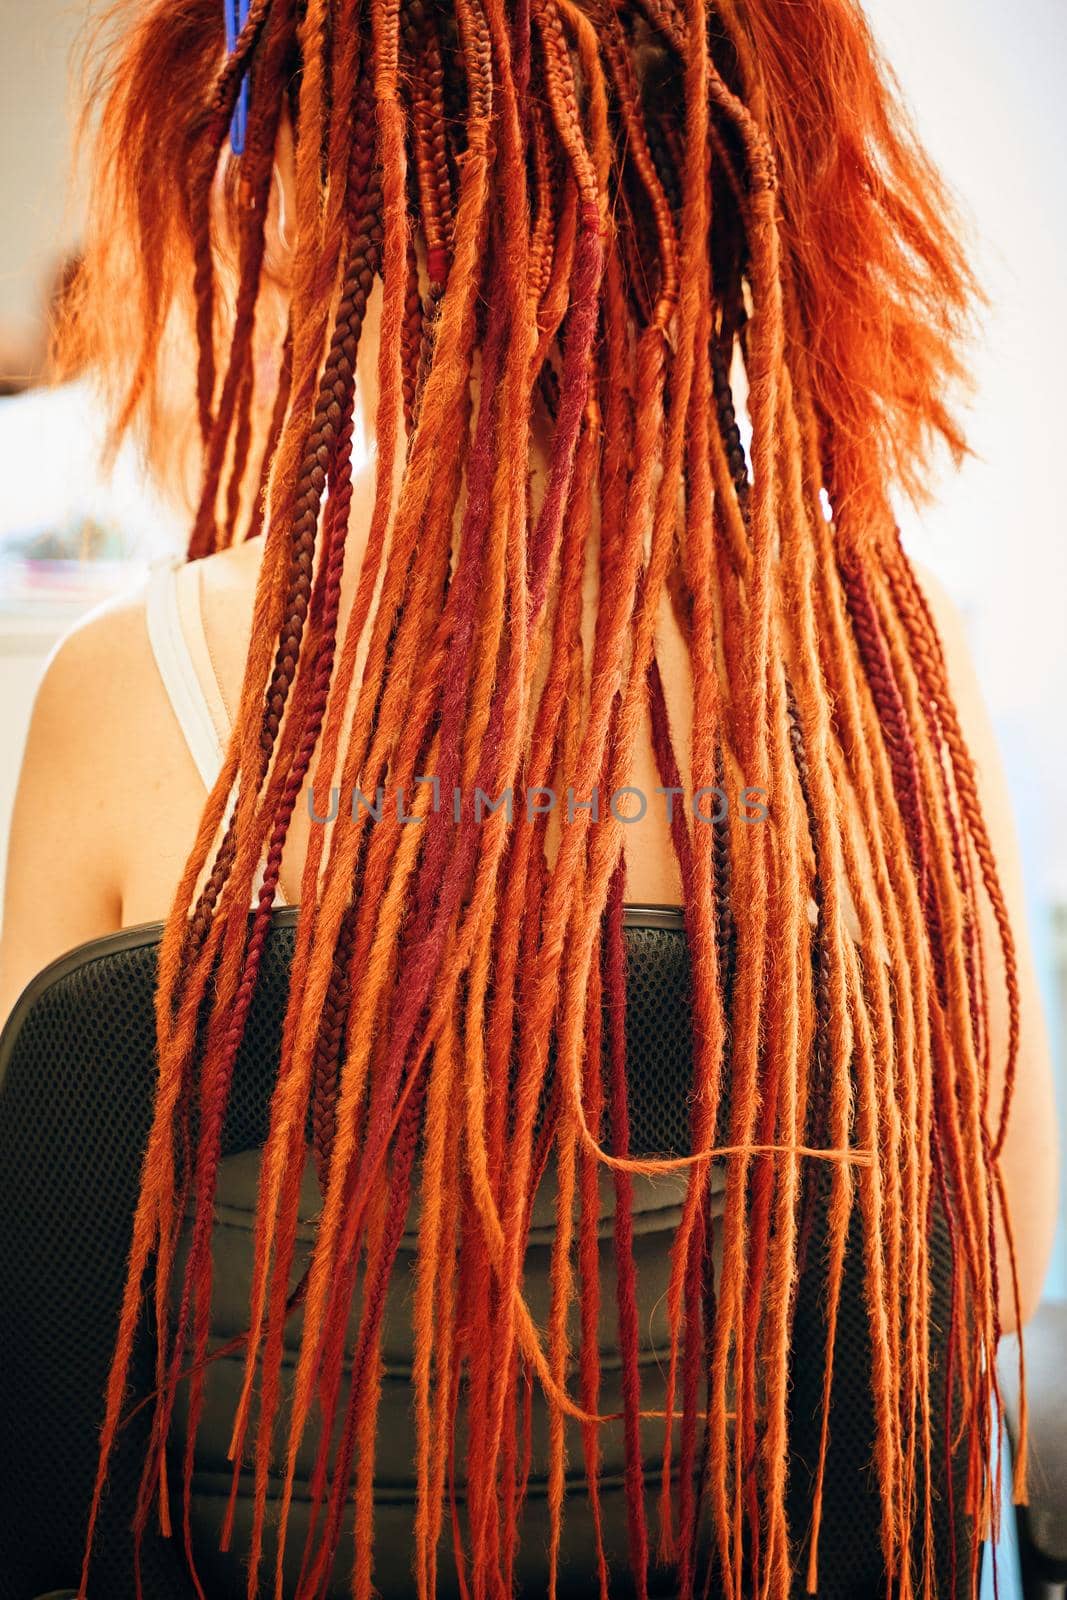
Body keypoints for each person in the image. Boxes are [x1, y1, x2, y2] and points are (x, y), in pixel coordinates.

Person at [0, 0, 1058, 1595]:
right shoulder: (881, 674)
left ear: (308, 207)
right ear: (745, 194)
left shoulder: (128, 692)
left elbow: (43, 1327)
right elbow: (993, 1274)